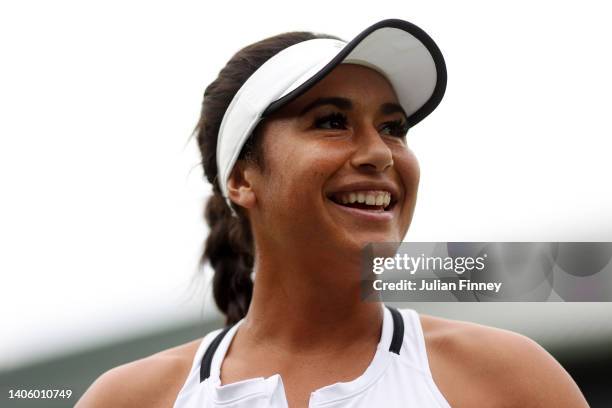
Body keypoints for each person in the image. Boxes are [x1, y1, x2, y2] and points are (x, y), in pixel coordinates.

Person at [76, 19, 589, 407]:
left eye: (393, 128)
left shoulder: (509, 378)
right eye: (331, 121)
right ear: (241, 179)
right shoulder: (130, 398)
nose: (381, 153)